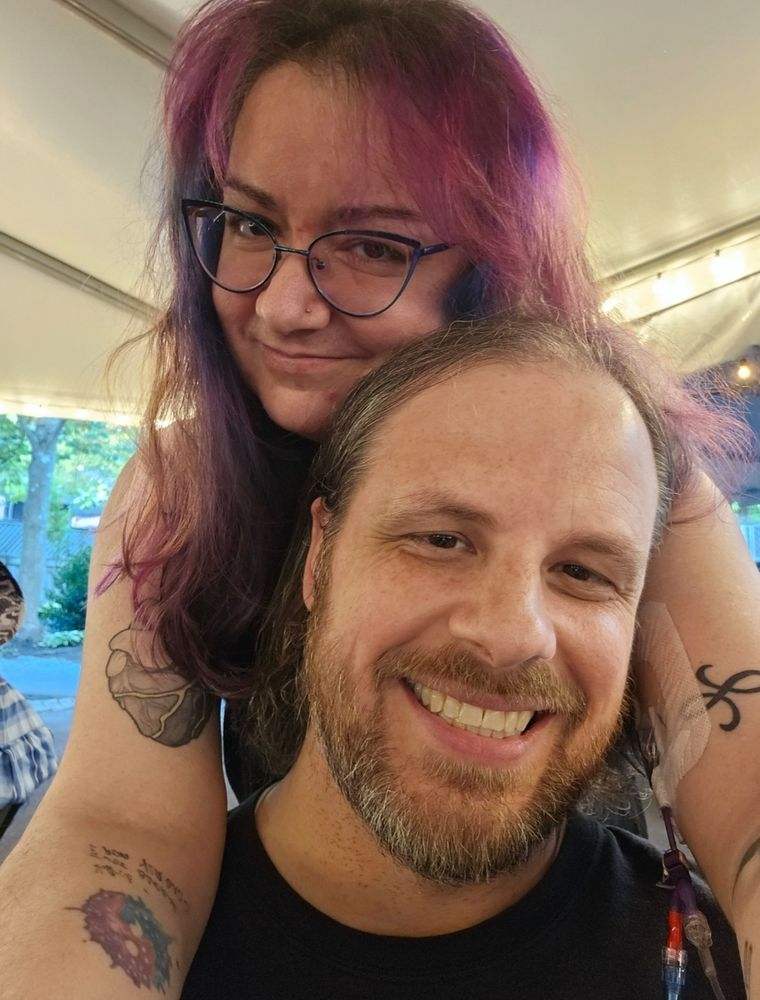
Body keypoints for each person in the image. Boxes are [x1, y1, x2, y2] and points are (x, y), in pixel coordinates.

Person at [1, 1, 759, 998]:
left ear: (489, 265)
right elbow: (118, 829)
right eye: (250, 222)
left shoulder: (620, 465)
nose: (282, 303)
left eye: (370, 245)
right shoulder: (185, 492)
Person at [181, 317, 745, 998]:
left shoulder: (717, 965)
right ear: (321, 555)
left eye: (585, 572)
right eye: (442, 539)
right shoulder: (119, 948)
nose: (512, 635)